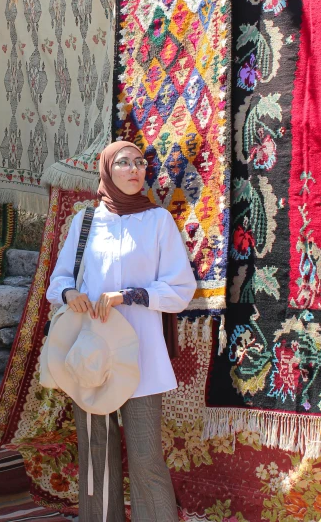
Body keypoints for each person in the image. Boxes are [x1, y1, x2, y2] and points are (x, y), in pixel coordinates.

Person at [46, 140, 197, 522]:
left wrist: (129, 296)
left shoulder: (158, 220)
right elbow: (58, 280)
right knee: (98, 452)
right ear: (106, 170)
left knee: (146, 458)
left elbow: (181, 289)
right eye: (124, 163)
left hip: (141, 355)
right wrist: (70, 293)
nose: (135, 170)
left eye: (140, 164)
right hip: (92, 353)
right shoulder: (85, 222)